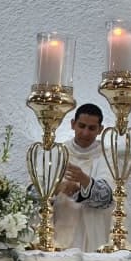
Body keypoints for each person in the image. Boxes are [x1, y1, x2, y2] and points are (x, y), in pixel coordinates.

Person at [52, 103, 114, 251]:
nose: (85, 133)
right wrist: (56, 188)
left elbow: (107, 197)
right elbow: (35, 192)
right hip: (60, 224)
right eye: (82, 126)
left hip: (93, 229)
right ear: (73, 124)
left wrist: (83, 181)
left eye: (92, 128)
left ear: (100, 129)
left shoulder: (106, 155)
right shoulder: (58, 152)